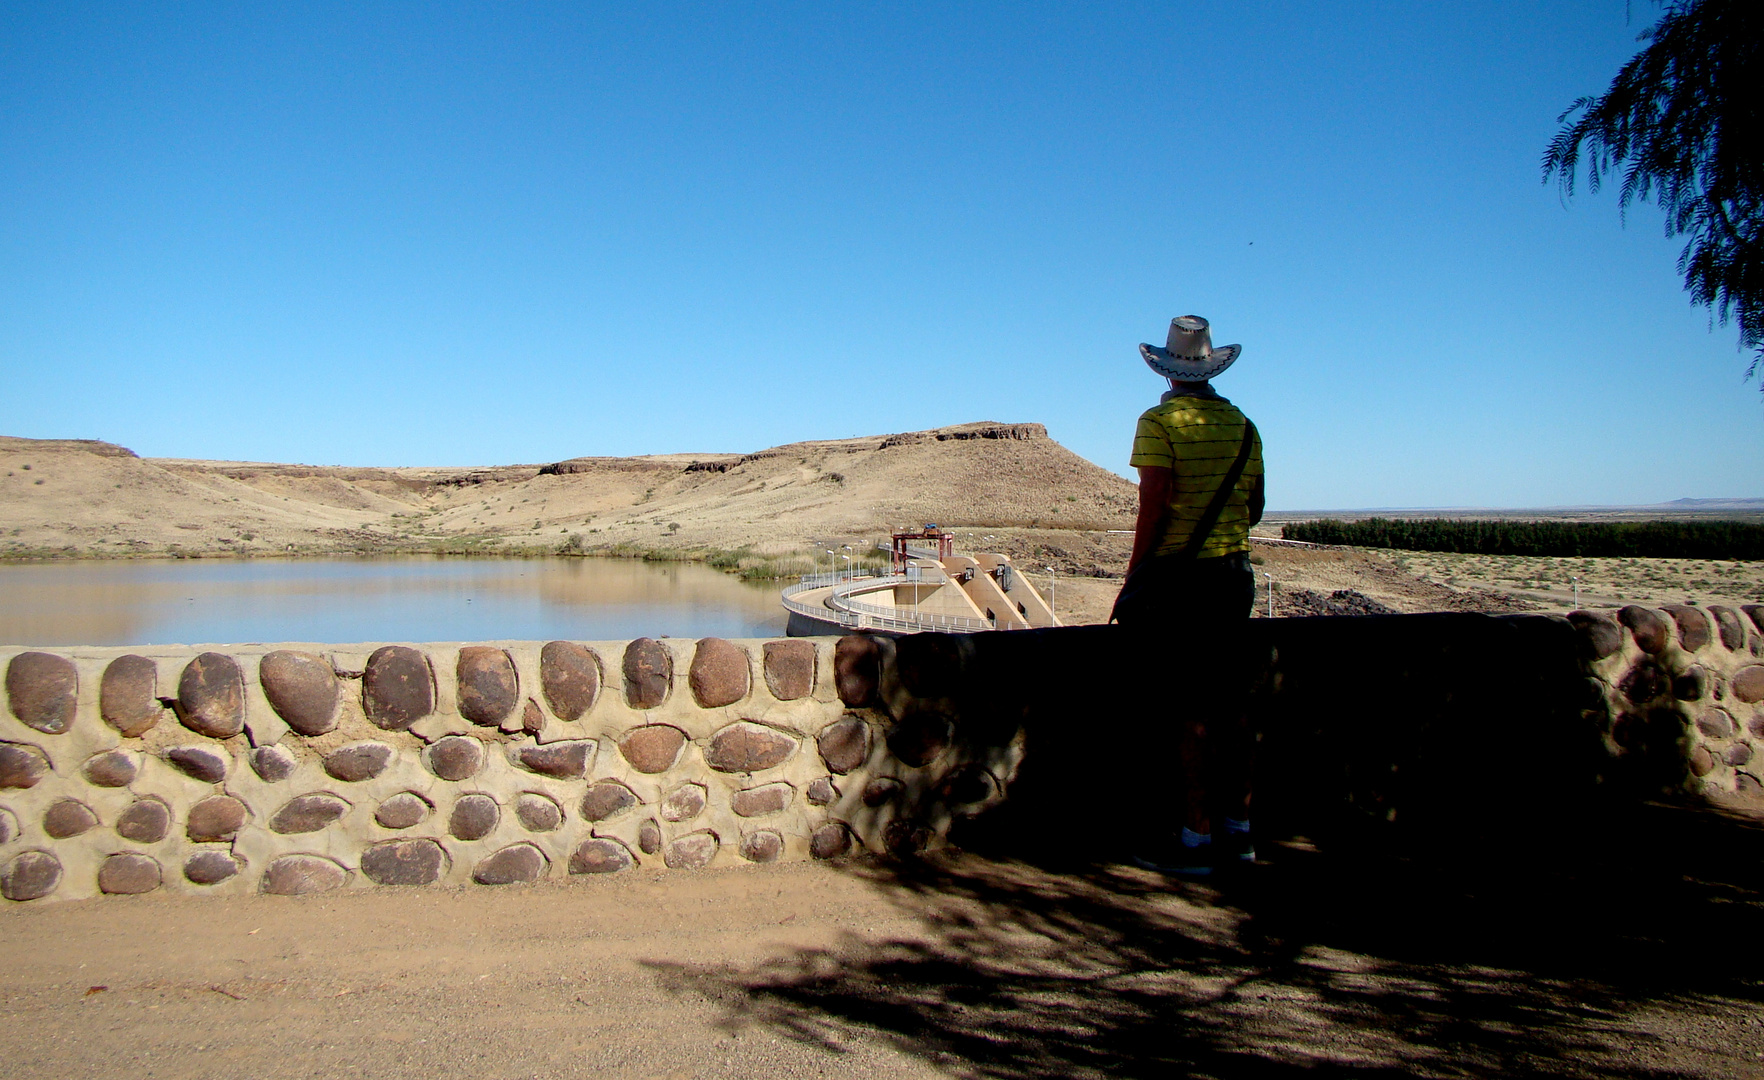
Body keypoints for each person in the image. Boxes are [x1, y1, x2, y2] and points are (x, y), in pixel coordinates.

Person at [1111, 314, 1265, 876]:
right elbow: (1254, 509)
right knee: (1233, 706)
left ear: (1169, 370)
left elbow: (1153, 508)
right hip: (1234, 576)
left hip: (1182, 580)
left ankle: (1194, 840)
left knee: (1191, 711)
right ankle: (1240, 833)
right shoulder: (1245, 427)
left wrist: (1134, 577)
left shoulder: (1158, 422)